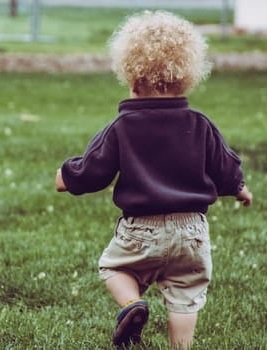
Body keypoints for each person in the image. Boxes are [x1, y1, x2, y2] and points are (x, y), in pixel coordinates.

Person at [54, 10, 253, 349]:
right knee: (186, 294)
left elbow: (94, 169)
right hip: (192, 230)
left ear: (131, 78)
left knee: (114, 268)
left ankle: (132, 305)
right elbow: (225, 164)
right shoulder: (200, 124)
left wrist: (66, 178)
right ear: (186, 77)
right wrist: (239, 188)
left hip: (140, 230)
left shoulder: (122, 126)